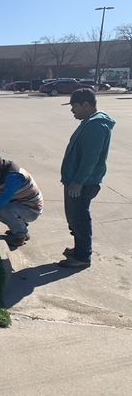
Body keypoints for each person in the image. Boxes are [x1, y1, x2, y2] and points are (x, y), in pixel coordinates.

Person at [59, 88, 115, 268]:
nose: (72, 110)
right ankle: (79, 248)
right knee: (74, 217)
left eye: (74, 106)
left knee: (80, 218)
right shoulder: (89, 121)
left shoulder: (96, 126)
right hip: (76, 181)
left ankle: (82, 257)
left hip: (82, 183)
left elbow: (91, 157)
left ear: (86, 105)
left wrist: (78, 182)